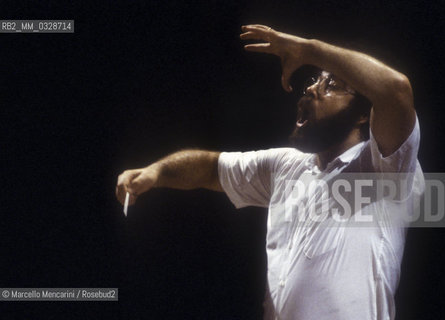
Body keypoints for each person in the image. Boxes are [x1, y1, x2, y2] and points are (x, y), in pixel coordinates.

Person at [116, 24, 424, 320]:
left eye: (332, 85)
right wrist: (156, 172)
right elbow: (210, 167)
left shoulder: (384, 169)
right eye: (313, 81)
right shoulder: (287, 166)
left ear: (363, 116)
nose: (313, 88)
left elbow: (395, 90)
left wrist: (309, 49)